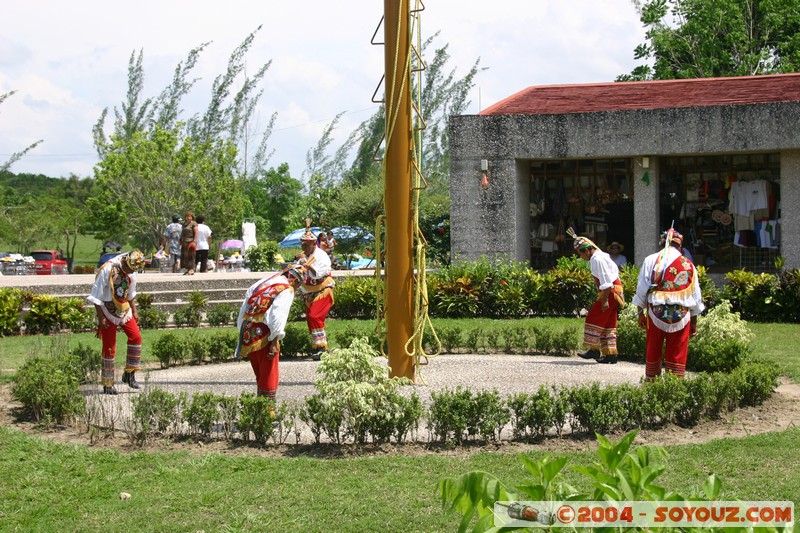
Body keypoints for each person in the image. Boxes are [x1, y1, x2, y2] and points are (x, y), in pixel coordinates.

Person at [633, 229, 705, 381]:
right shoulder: (689, 265)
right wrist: (693, 321)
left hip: (655, 313)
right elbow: (695, 296)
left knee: (653, 349)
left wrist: (640, 312)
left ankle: (652, 382)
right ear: (680, 246)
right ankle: (674, 386)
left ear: (662, 243)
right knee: (677, 351)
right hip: (681, 315)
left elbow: (642, 289)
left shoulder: (651, 260)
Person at [235, 266, 304, 401]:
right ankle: (268, 412)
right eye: (297, 286)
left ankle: (260, 408)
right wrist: (275, 340)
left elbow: (245, 306)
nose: (295, 290)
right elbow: (278, 314)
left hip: (248, 334)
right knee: (269, 375)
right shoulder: (286, 289)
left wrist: (242, 333)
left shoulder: (263, 283)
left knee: (260, 374)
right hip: (265, 335)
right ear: (294, 280)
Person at [87, 251, 146, 395]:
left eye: (134, 270)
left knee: (136, 337)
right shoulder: (108, 269)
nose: (132, 272)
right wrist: (101, 318)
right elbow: (96, 296)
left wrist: (135, 310)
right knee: (109, 345)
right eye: (130, 269)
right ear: (125, 262)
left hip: (124, 308)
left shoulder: (133, 271)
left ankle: (129, 373)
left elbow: (130, 292)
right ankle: (108, 383)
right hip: (106, 309)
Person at [568, 228, 625, 364]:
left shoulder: (597, 259)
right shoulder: (600, 256)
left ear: (587, 251)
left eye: (581, 254)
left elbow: (606, 282)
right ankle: (610, 354)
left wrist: (604, 300)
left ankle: (594, 349)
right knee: (608, 323)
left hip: (610, 293)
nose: (581, 257)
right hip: (613, 292)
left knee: (593, 318)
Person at [298, 223, 335, 361]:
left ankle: (322, 348)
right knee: (311, 319)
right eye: (303, 245)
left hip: (323, 289)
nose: (304, 248)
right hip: (309, 292)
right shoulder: (303, 256)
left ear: (314, 244)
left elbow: (321, 272)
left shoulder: (321, 256)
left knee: (315, 316)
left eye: (306, 245)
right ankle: (317, 347)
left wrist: (310, 267)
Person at [180, 211, 198, 275]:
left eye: (190, 217)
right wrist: (180, 240)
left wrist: (194, 241)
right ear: (185, 217)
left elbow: (196, 233)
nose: (189, 218)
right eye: (187, 217)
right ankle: (188, 269)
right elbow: (182, 233)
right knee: (185, 256)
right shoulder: (184, 224)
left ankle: (191, 269)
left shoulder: (194, 224)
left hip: (191, 242)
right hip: (184, 242)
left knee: (191, 256)